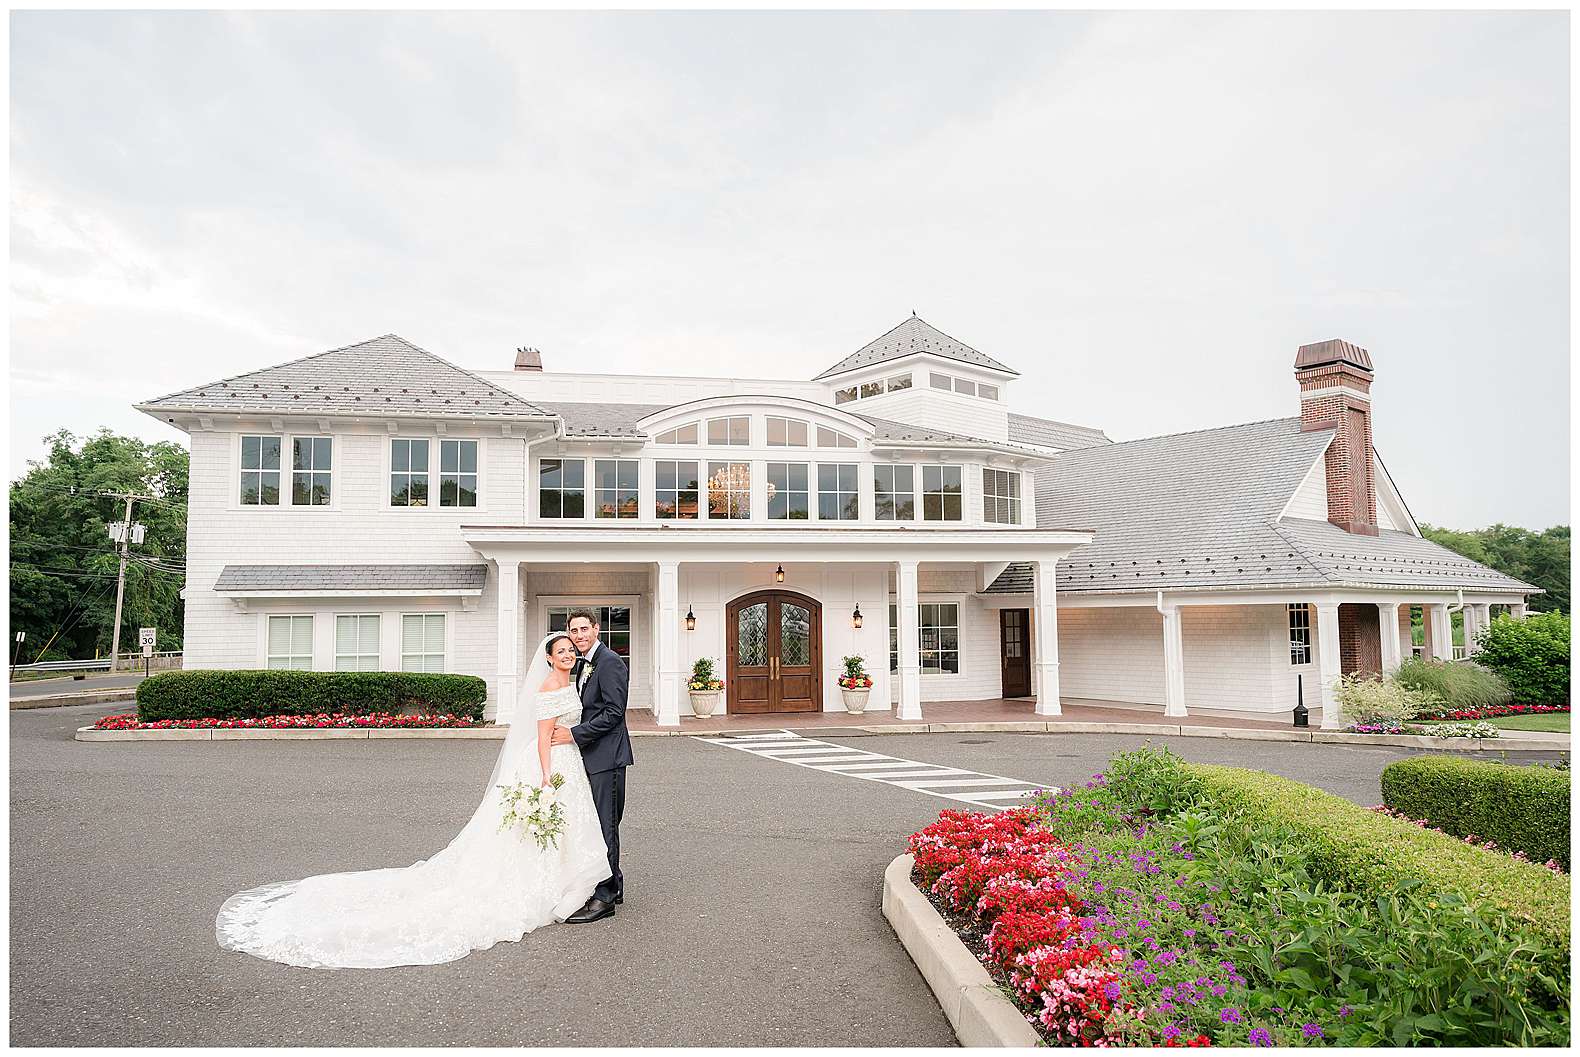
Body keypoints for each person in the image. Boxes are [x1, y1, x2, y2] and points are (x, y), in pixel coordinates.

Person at [213, 633, 609, 969]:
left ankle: (561, 882)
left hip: (569, 759)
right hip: (550, 764)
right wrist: (543, 777)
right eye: (562, 652)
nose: (569, 655)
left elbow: (570, 724)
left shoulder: (572, 683)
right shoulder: (547, 688)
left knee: (565, 827)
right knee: (537, 829)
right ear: (548, 658)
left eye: (571, 651)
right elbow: (542, 736)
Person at [551, 609, 633, 923]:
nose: (580, 635)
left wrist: (574, 734)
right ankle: (616, 883)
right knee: (602, 823)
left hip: (607, 757)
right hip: (594, 756)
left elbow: (614, 713)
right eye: (574, 630)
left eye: (585, 629)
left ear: (596, 629)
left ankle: (604, 899)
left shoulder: (610, 662)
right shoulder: (585, 663)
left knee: (604, 826)